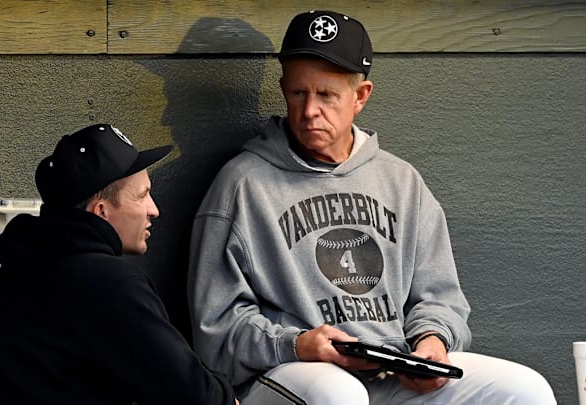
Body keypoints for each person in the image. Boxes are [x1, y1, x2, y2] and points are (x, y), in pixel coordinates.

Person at [187, 10, 556, 405]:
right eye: (299, 93)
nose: (310, 110)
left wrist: (432, 338)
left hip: (394, 368)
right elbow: (216, 326)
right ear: (284, 89)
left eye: (326, 95)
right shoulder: (242, 183)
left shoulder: (401, 181)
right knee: (339, 395)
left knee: (524, 389)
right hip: (290, 374)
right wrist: (297, 344)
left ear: (360, 97)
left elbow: (440, 297)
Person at [0, 124, 237, 404]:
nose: (154, 210)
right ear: (101, 211)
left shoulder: (20, 269)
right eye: (142, 196)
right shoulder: (109, 284)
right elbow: (195, 396)